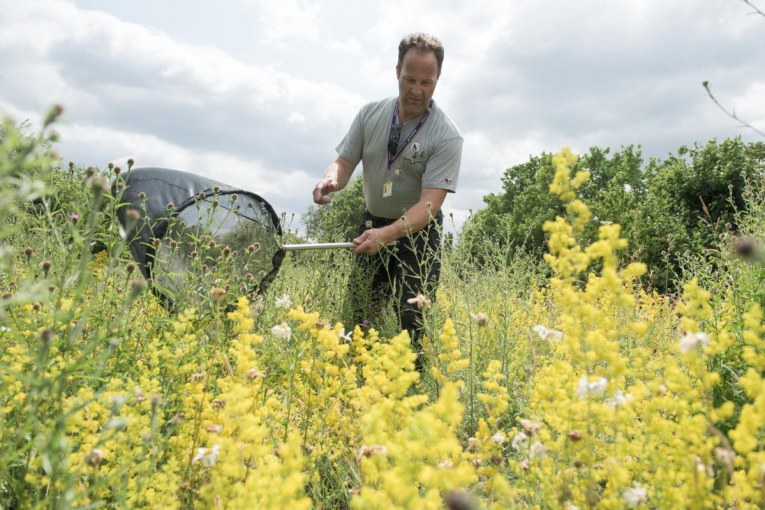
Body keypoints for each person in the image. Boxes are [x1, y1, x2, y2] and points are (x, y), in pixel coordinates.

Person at [312, 32, 463, 370]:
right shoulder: (370, 114)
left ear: (438, 79)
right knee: (359, 313)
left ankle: (410, 394)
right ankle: (353, 383)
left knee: (413, 317)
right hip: (371, 224)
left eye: (427, 81)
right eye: (410, 79)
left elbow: (429, 206)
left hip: (418, 234)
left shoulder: (447, 135)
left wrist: (389, 234)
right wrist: (331, 179)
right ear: (397, 71)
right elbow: (344, 162)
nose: (417, 89)